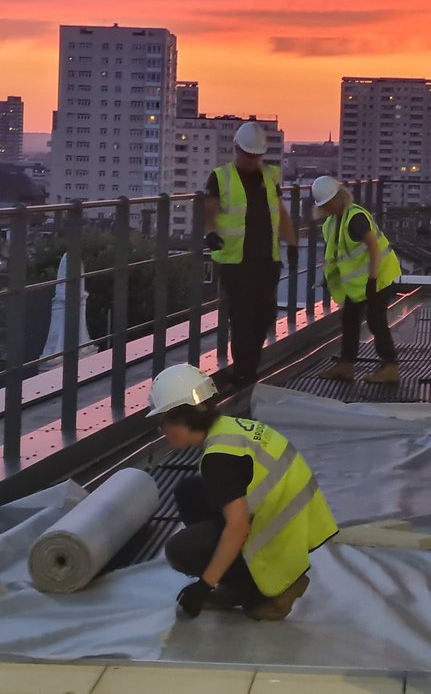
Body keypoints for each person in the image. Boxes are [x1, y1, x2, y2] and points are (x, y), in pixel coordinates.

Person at [151, 363, 338, 621]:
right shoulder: (229, 427)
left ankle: (270, 589)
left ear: (176, 421)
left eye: (161, 424)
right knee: (189, 492)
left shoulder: (220, 459)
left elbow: (237, 528)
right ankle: (238, 583)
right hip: (295, 516)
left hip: (278, 532)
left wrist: (204, 585)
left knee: (181, 549)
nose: (163, 433)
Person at [204, 121, 297, 386]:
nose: (251, 160)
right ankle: (244, 372)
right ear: (236, 148)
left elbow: (281, 213)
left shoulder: (270, 176)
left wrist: (291, 244)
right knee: (243, 317)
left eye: (256, 156)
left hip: (266, 258)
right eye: (247, 154)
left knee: (265, 313)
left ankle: (247, 367)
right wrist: (210, 233)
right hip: (234, 260)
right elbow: (209, 210)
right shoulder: (221, 176)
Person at [312, 177, 403, 385]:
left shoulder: (355, 219)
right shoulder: (333, 222)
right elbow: (338, 255)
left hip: (379, 277)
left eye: (327, 203)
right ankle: (346, 365)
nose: (325, 208)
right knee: (350, 320)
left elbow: (373, 247)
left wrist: (372, 280)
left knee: (376, 321)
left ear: (338, 198)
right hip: (359, 284)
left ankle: (391, 367)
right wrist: (329, 278)